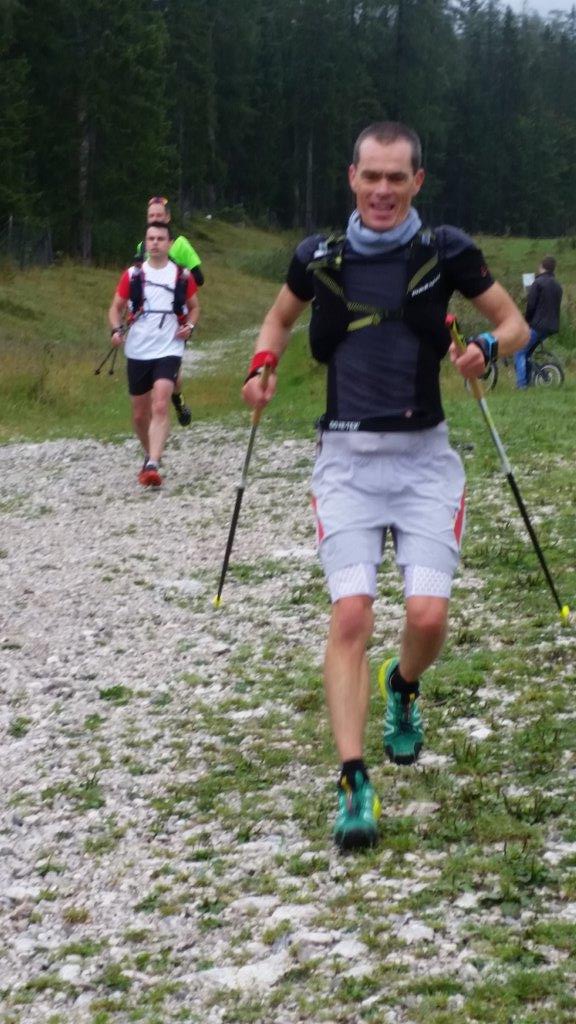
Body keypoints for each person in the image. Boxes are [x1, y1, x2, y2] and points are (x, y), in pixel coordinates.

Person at [242, 121, 528, 852]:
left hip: (425, 462)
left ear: (417, 182)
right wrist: (261, 364)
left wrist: (487, 348)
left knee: (427, 617)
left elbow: (514, 324)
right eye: (371, 175)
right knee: (351, 615)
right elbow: (278, 319)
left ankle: (402, 686)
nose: (382, 190)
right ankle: (353, 780)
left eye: (397, 177)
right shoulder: (318, 255)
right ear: (352, 177)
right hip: (346, 464)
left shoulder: (445, 250)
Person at [109, 220, 200, 487]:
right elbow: (115, 308)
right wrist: (116, 329)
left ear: (170, 244)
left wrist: (189, 326)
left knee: (160, 403)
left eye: (160, 239)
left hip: (169, 347)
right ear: (145, 243)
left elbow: (194, 307)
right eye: (151, 239)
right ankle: (150, 454)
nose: (155, 243)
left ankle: (153, 464)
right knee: (139, 415)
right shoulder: (132, 275)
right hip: (138, 349)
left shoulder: (181, 276)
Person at [138, 196, 205, 426]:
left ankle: (177, 401)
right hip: (148, 319)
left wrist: (176, 276)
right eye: (151, 216)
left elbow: (199, 278)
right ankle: (154, 414)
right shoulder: (143, 246)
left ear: (168, 217)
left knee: (170, 370)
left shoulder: (180, 245)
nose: (155, 219)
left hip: (176, 318)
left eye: (159, 215)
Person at [514, 256, 563, 388]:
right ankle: (529, 382)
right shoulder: (557, 285)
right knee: (527, 352)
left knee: (519, 351)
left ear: (542, 266)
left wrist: (526, 322)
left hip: (538, 325)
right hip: (552, 326)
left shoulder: (538, 282)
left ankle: (521, 385)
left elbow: (531, 306)